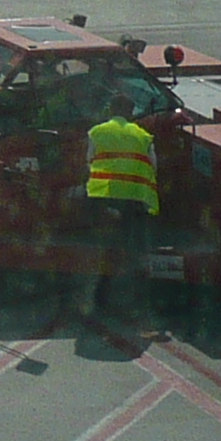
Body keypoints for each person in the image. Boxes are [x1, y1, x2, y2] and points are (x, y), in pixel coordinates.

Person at [80, 108, 161, 331]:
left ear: (110, 110)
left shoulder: (97, 132)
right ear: (130, 112)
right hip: (134, 201)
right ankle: (135, 305)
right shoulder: (143, 136)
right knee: (135, 253)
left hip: (104, 199)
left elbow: (89, 162)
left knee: (105, 251)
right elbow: (153, 166)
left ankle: (100, 303)